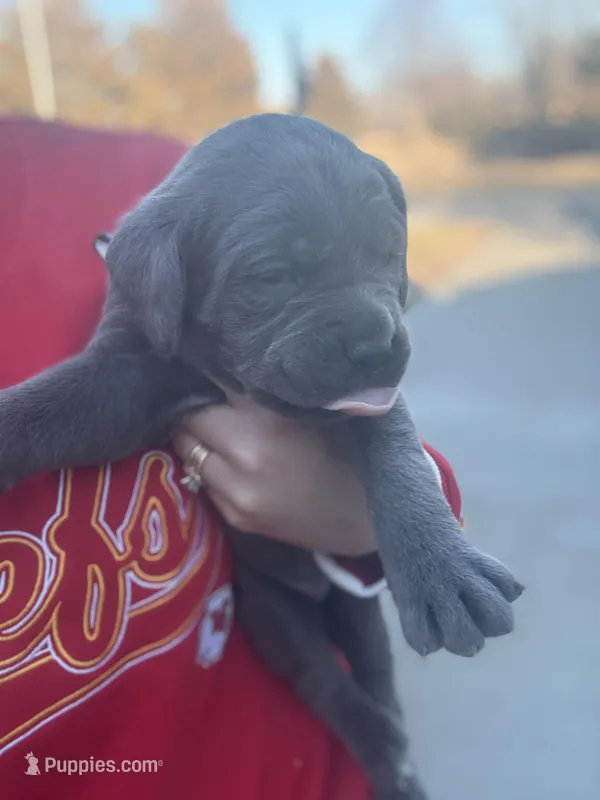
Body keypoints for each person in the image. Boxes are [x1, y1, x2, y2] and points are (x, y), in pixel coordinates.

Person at [0, 115, 462, 800]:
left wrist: (374, 518)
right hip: (191, 711)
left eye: (382, 256)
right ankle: (381, 747)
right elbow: (112, 387)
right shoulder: (159, 259)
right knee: (312, 665)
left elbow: (401, 449)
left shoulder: (158, 172)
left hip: (309, 754)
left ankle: (390, 762)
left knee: (367, 658)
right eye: (276, 274)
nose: (378, 327)